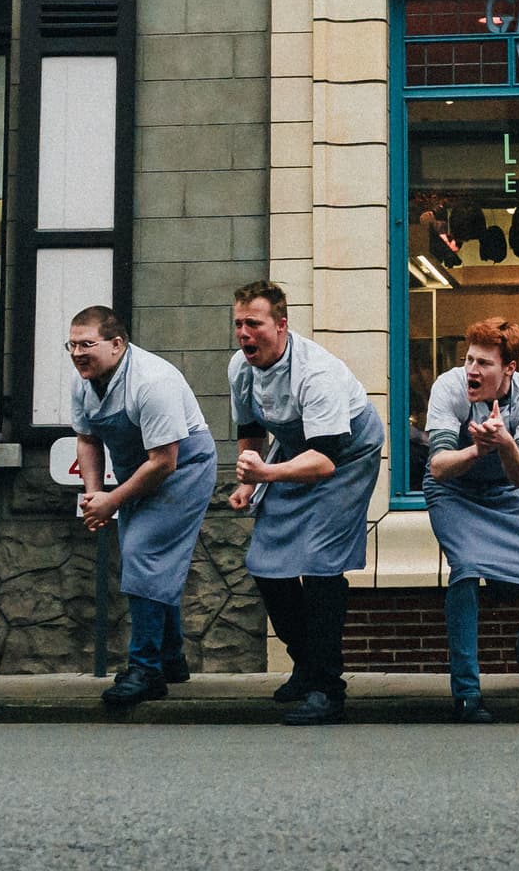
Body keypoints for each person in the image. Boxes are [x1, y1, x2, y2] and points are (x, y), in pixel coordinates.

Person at [227, 279, 384, 727]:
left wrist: (265, 476)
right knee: (265, 562)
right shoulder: (240, 367)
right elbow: (251, 429)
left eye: (253, 324)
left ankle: (327, 689)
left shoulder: (318, 374)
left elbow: (326, 462)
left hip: (345, 456)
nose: (244, 334)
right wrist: (246, 477)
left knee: (319, 565)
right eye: (238, 324)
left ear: (281, 325)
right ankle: (306, 664)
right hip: (298, 452)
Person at [67, 305, 218, 710]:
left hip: (182, 468)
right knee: (149, 559)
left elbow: (165, 461)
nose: (78, 353)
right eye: (72, 345)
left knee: (144, 553)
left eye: (87, 344)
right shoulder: (84, 383)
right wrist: (94, 494)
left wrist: (112, 501)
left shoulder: (152, 381)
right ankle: (171, 660)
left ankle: (146, 669)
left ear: (117, 344)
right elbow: (87, 439)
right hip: (138, 470)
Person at [422, 318, 519, 722]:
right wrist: (476, 452)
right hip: (453, 491)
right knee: (464, 574)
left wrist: (506, 444)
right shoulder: (449, 387)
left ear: (509, 368)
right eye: (469, 359)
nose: (472, 371)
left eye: (484, 363)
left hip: (505, 492)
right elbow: (439, 466)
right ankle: (467, 693)